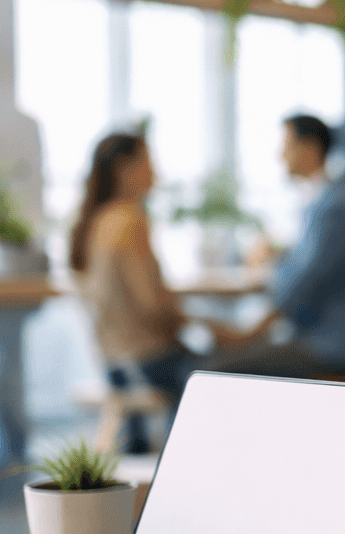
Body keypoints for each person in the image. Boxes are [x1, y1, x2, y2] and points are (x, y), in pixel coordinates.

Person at [71, 132, 237, 444]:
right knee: (225, 374)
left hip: (113, 363)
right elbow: (150, 306)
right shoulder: (129, 220)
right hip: (147, 361)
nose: (156, 172)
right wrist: (215, 331)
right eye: (148, 163)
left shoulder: (93, 222)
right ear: (124, 168)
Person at [205, 115, 345, 378]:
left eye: (286, 145)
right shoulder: (327, 202)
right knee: (222, 360)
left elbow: (298, 287)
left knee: (213, 371)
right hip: (325, 341)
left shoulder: (333, 209)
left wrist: (271, 264)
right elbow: (308, 272)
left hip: (335, 348)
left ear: (309, 148)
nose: (279, 155)